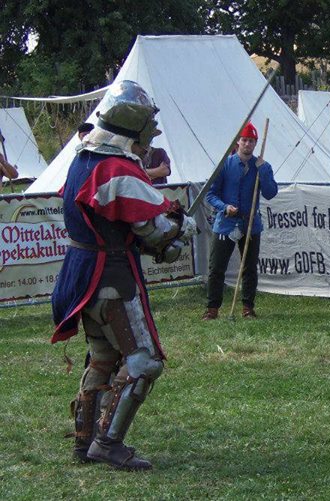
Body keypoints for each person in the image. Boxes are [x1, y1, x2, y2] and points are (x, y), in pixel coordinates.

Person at [51, 80, 197, 470]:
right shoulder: (116, 168)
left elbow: (111, 220)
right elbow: (151, 227)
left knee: (103, 356)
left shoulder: (82, 160)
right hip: (111, 277)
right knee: (144, 361)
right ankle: (107, 442)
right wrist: (179, 229)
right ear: (135, 126)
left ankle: (84, 440)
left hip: (82, 274)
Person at [202, 122, 278, 320]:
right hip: (225, 223)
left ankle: (247, 308)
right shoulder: (224, 165)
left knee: (249, 268)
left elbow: (270, 193)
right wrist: (224, 207)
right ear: (238, 141)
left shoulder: (262, 166)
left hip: (251, 223)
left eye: (251, 141)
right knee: (216, 267)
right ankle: (212, 309)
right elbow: (210, 194)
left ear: (255, 143)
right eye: (244, 140)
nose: (247, 144)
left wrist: (263, 171)